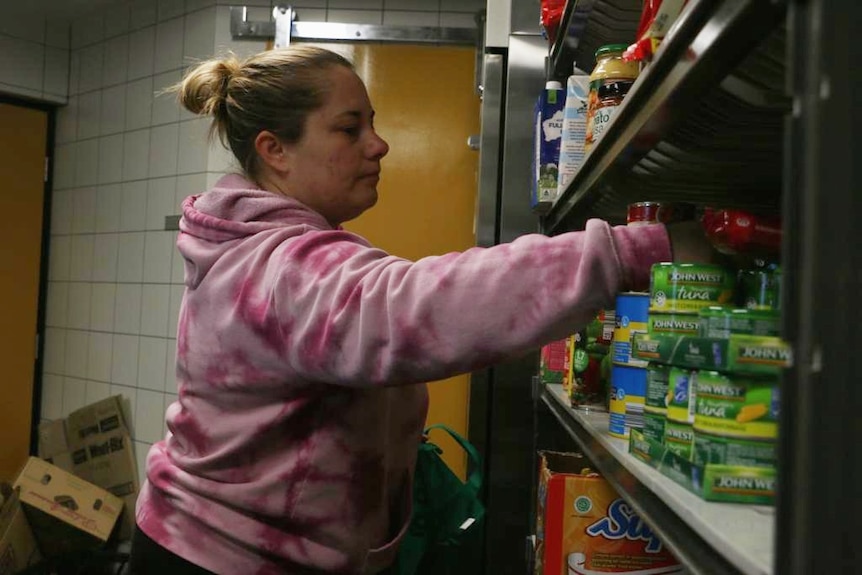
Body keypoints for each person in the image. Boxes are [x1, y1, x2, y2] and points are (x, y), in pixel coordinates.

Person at [129, 46, 714, 575]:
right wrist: (633, 249)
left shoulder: (258, 248)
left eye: (373, 124)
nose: (378, 145)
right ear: (274, 150)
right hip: (221, 560)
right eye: (349, 129)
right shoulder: (276, 267)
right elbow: (412, 306)